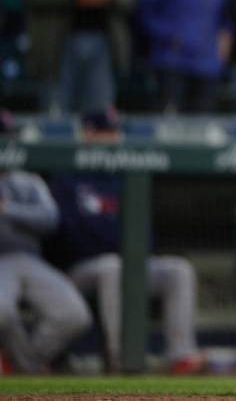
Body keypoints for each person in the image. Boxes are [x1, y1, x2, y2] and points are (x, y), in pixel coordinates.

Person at [47, 110, 204, 373]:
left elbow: (143, 233)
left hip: (126, 262)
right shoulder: (66, 177)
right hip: (80, 269)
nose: (113, 139)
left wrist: (123, 246)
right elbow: (70, 236)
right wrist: (115, 241)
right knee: (113, 266)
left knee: (178, 270)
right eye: (105, 133)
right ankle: (121, 357)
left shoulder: (123, 176)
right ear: (88, 135)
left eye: (115, 132)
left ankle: (181, 355)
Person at [0, 112, 92, 372]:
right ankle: (26, 366)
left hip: (30, 259)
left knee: (75, 313)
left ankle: (20, 363)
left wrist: (7, 209)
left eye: (7, 137)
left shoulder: (27, 180)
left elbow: (51, 219)